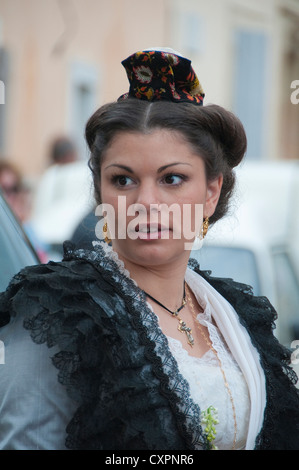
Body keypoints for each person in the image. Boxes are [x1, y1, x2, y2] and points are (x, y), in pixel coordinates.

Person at [0, 48, 298, 451]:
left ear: (211, 192)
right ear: (100, 192)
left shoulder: (234, 314)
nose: (146, 202)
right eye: (123, 180)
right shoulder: (58, 309)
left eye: (172, 179)